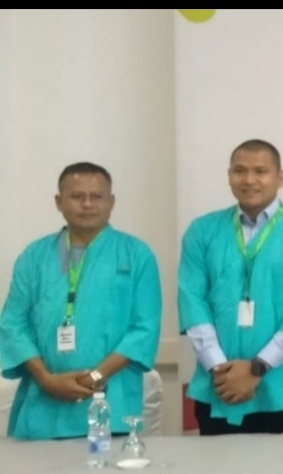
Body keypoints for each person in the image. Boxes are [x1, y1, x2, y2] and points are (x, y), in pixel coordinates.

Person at [178, 139, 283, 434]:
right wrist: (220, 369)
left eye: (260, 171)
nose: (249, 180)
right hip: (220, 387)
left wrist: (257, 368)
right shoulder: (202, 231)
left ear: (280, 177)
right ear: (229, 176)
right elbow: (192, 302)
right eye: (240, 171)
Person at [0, 162, 162, 440]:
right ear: (58, 202)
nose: (87, 204)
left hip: (110, 402)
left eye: (96, 196)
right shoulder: (34, 256)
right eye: (77, 196)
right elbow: (13, 323)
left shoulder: (136, 255)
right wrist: (47, 380)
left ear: (111, 202)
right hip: (42, 404)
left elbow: (144, 329)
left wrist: (95, 377)